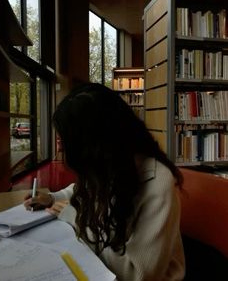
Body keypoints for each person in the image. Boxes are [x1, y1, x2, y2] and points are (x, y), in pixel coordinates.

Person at [24, 82, 185, 281]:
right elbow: (85, 188)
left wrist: (75, 218)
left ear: (97, 145)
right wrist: (52, 198)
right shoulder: (111, 164)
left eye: (66, 143)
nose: (60, 150)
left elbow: (138, 274)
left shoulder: (158, 183)